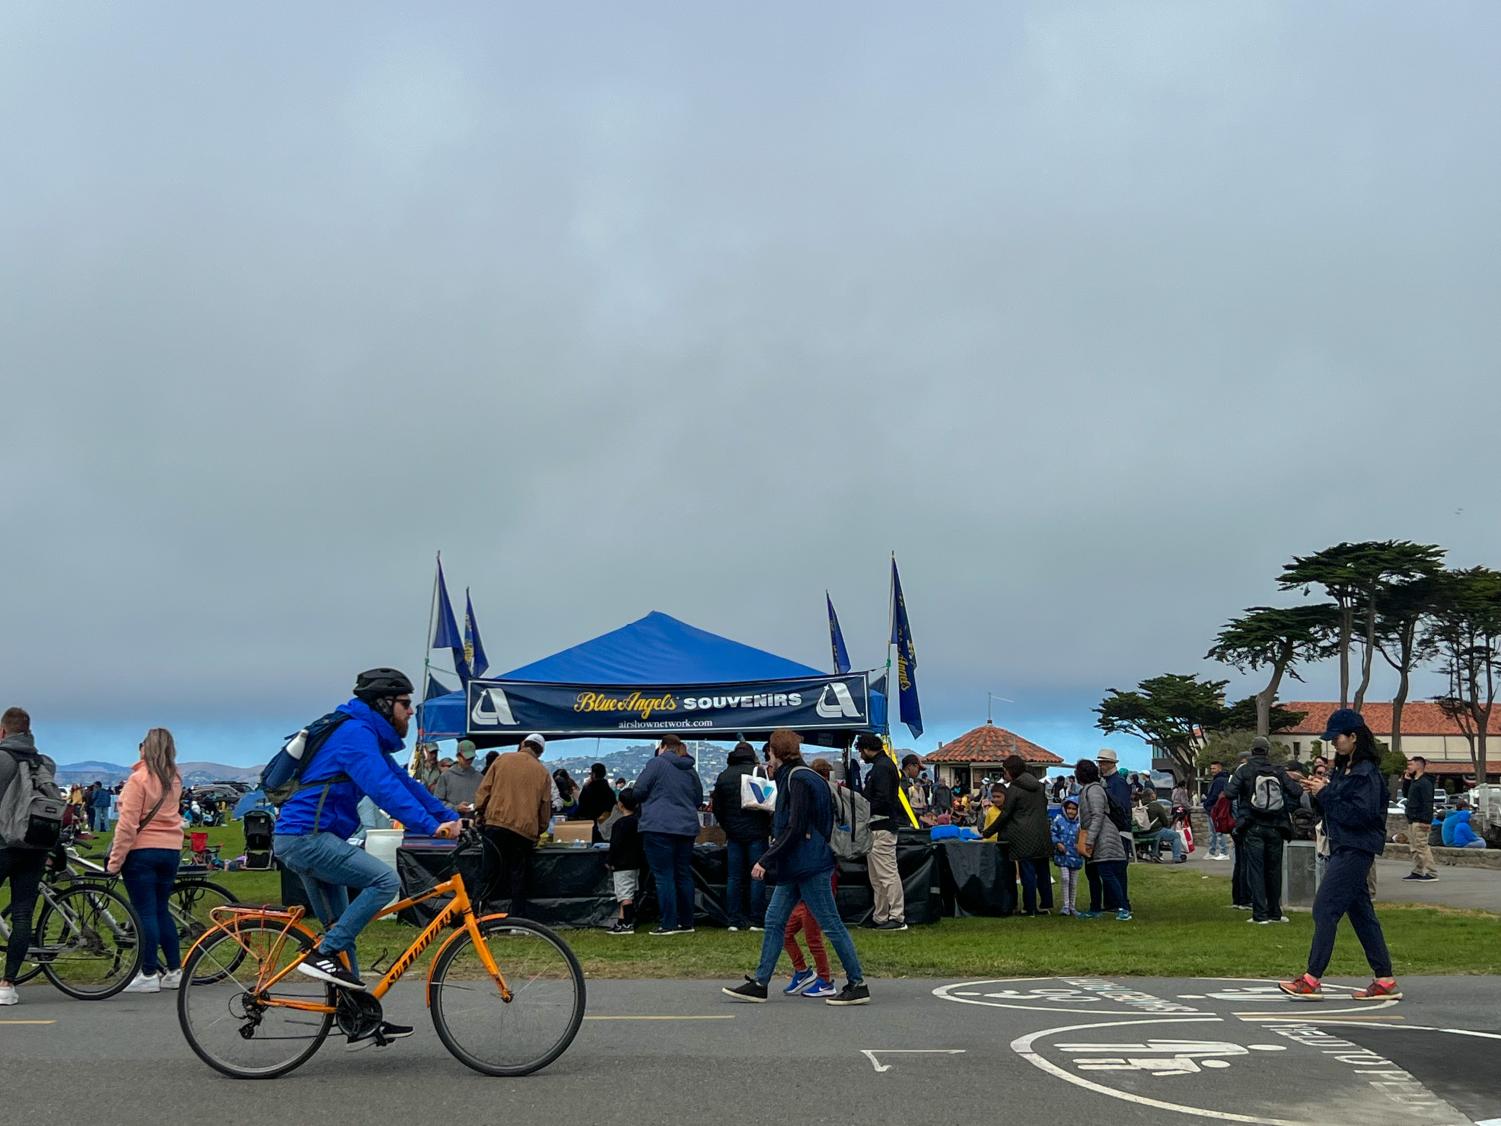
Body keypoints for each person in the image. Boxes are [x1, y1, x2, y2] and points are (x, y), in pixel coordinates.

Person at [273, 668, 461, 1049]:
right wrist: (428, 826)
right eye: (406, 704)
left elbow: (404, 783)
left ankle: (358, 1015)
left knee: (345, 933)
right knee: (385, 882)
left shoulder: (366, 736)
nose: (411, 712)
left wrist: (447, 816)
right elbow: (383, 790)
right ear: (384, 704)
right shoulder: (354, 736)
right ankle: (321, 954)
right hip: (306, 838)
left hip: (307, 838)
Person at [721, 729, 869, 1006]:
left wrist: (767, 858)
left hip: (807, 864)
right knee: (775, 920)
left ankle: (857, 982)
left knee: (830, 923)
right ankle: (761, 982)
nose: (768, 757)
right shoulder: (801, 775)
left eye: (769, 752)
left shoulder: (797, 778)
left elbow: (796, 826)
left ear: (774, 752)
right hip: (801, 863)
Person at [1280, 709, 1400, 1002]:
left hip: (1357, 847)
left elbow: (1361, 815)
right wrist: (1319, 793)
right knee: (1361, 914)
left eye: (1337, 738)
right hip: (1344, 844)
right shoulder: (1346, 770)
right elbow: (1337, 809)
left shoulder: (1366, 773)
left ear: (1354, 737)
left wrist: (1327, 794)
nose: (1334, 743)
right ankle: (1384, 979)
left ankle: (1312, 978)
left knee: (1325, 908)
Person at [106, 728, 186, 993]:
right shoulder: (174, 778)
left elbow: (127, 826)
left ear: (144, 748)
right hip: (170, 849)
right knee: (161, 909)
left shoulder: (138, 780)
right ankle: (174, 969)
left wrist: (115, 862)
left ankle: (148, 972)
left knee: (145, 913)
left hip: (142, 852)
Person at [0, 707, 56, 1007]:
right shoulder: (45, 763)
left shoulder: (2, 760)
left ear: (3, 731)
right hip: (36, 846)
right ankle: (7, 984)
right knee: (23, 916)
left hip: (4, 844)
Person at [473, 733, 553, 917]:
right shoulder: (542, 772)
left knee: (488, 872)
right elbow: (544, 807)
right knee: (518, 877)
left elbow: (484, 790)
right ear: (539, 752)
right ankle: (517, 920)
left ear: (523, 743)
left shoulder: (503, 760)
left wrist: (480, 811)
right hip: (524, 832)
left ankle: (476, 914)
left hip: (496, 824)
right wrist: (539, 828)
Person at [1224, 737, 1302, 924]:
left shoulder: (1244, 770)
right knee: (1274, 870)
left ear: (1252, 751)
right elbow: (1296, 792)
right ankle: (1275, 912)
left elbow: (1229, 793)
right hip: (1276, 826)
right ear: (1267, 751)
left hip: (1253, 825)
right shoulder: (1278, 770)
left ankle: (1260, 914)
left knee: (1256, 870)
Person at [634, 734, 704, 936]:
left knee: (664, 876)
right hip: (686, 827)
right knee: (683, 874)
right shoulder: (690, 769)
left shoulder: (656, 763)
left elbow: (638, 790)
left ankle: (668, 923)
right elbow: (698, 798)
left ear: (662, 747)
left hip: (659, 826)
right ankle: (687, 922)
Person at [710, 741, 771, 931]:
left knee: (734, 877)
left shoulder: (724, 775)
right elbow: (770, 804)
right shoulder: (760, 772)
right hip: (757, 832)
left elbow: (717, 808)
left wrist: (728, 827)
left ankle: (734, 919)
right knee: (757, 876)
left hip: (734, 834)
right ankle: (756, 919)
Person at [981, 756, 1053, 916]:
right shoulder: (1039, 786)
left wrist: (987, 832)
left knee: (1027, 872)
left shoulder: (1014, 788)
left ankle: (1030, 907)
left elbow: (1005, 814)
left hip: (1023, 835)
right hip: (1042, 832)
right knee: (1043, 871)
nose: (1004, 774)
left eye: (1004, 771)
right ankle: (1045, 905)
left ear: (1010, 771)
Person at [858, 733, 906, 930]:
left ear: (868, 748)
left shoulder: (882, 768)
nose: (860, 754)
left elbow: (883, 798)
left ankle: (897, 916)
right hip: (877, 826)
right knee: (877, 877)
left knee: (886, 874)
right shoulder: (882, 766)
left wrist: (863, 807)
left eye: (861, 749)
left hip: (882, 826)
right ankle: (881, 916)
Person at [1075, 758, 1130, 921]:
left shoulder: (1094, 790)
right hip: (1096, 836)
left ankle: (1123, 908)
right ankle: (1095, 908)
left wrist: (1089, 839)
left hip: (1104, 838)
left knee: (1107, 873)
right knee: (1092, 873)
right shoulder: (1089, 789)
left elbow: (1097, 815)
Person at [1096, 749, 1133, 910]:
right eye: (1100, 762)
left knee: (1117, 868)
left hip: (1119, 831)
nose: (1101, 765)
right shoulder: (1109, 781)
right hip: (1115, 830)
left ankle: (1120, 902)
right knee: (1112, 867)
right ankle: (1113, 902)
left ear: (1111, 763)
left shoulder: (1117, 782)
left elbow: (1121, 808)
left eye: (1103, 762)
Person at [605, 788, 643, 934]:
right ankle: (622, 921)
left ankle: (627, 924)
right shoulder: (639, 822)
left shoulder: (619, 824)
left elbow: (615, 845)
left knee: (624, 895)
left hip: (622, 864)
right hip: (635, 863)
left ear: (620, 805)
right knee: (628, 893)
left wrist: (610, 860)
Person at [1400, 756, 1438, 881]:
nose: (1408, 767)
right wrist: (1406, 780)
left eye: (1411, 765)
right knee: (1414, 847)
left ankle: (1432, 872)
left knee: (1422, 846)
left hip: (1420, 820)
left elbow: (1427, 802)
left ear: (1419, 766)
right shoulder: (1414, 782)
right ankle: (1418, 870)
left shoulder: (1425, 783)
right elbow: (1406, 794)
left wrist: (1426, 821)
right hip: (1412, 819)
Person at [1051, 797, 1084, 916]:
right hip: (1063, 856)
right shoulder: (1059, 820)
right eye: (1069, 808)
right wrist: (1058, 843)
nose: (1071, 811)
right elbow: (1053, 833)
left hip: (1076, 856)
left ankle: (1072, 906)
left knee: (1073, 882)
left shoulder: (1081, 823)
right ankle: (1065, 905)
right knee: (1065, 879)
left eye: (1074, 809)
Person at [431, 740, 483, 813]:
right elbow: (437, 802)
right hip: (452, 821)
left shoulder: (480, 778)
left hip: (472, 820)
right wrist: (456, 808)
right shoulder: (446, 776)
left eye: (471, 758)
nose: (469, 761)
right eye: (466, 758)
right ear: (458, 756)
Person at [1140, 792, 1187, 863]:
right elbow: (1165, 822)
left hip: (1140, 834)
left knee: (1159, 834)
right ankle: (1177, 857)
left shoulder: (1138, 806)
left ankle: (1155, 853)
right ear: (1151, 796)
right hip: (1154, 831)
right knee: (1175, 835)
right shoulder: (1156, 806)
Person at [575, 762, 617, 829]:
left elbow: (582, 806)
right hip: (606, 825)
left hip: (589, 824)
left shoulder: (588, 790)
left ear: (593, 774)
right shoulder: (610, 792)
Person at [1202, 760, 1230, 860]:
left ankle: (1224, 852)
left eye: (1214, 768)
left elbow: (1214, 795)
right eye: (1211, 768)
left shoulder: (1219, 780)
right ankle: (1211, 851)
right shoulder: (1219, 779)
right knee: (1213, 832)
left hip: (1215, 809)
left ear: (1219, 768)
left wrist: (1206, 804)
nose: (1212, 770)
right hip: (1213, 809)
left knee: (1218, 832)